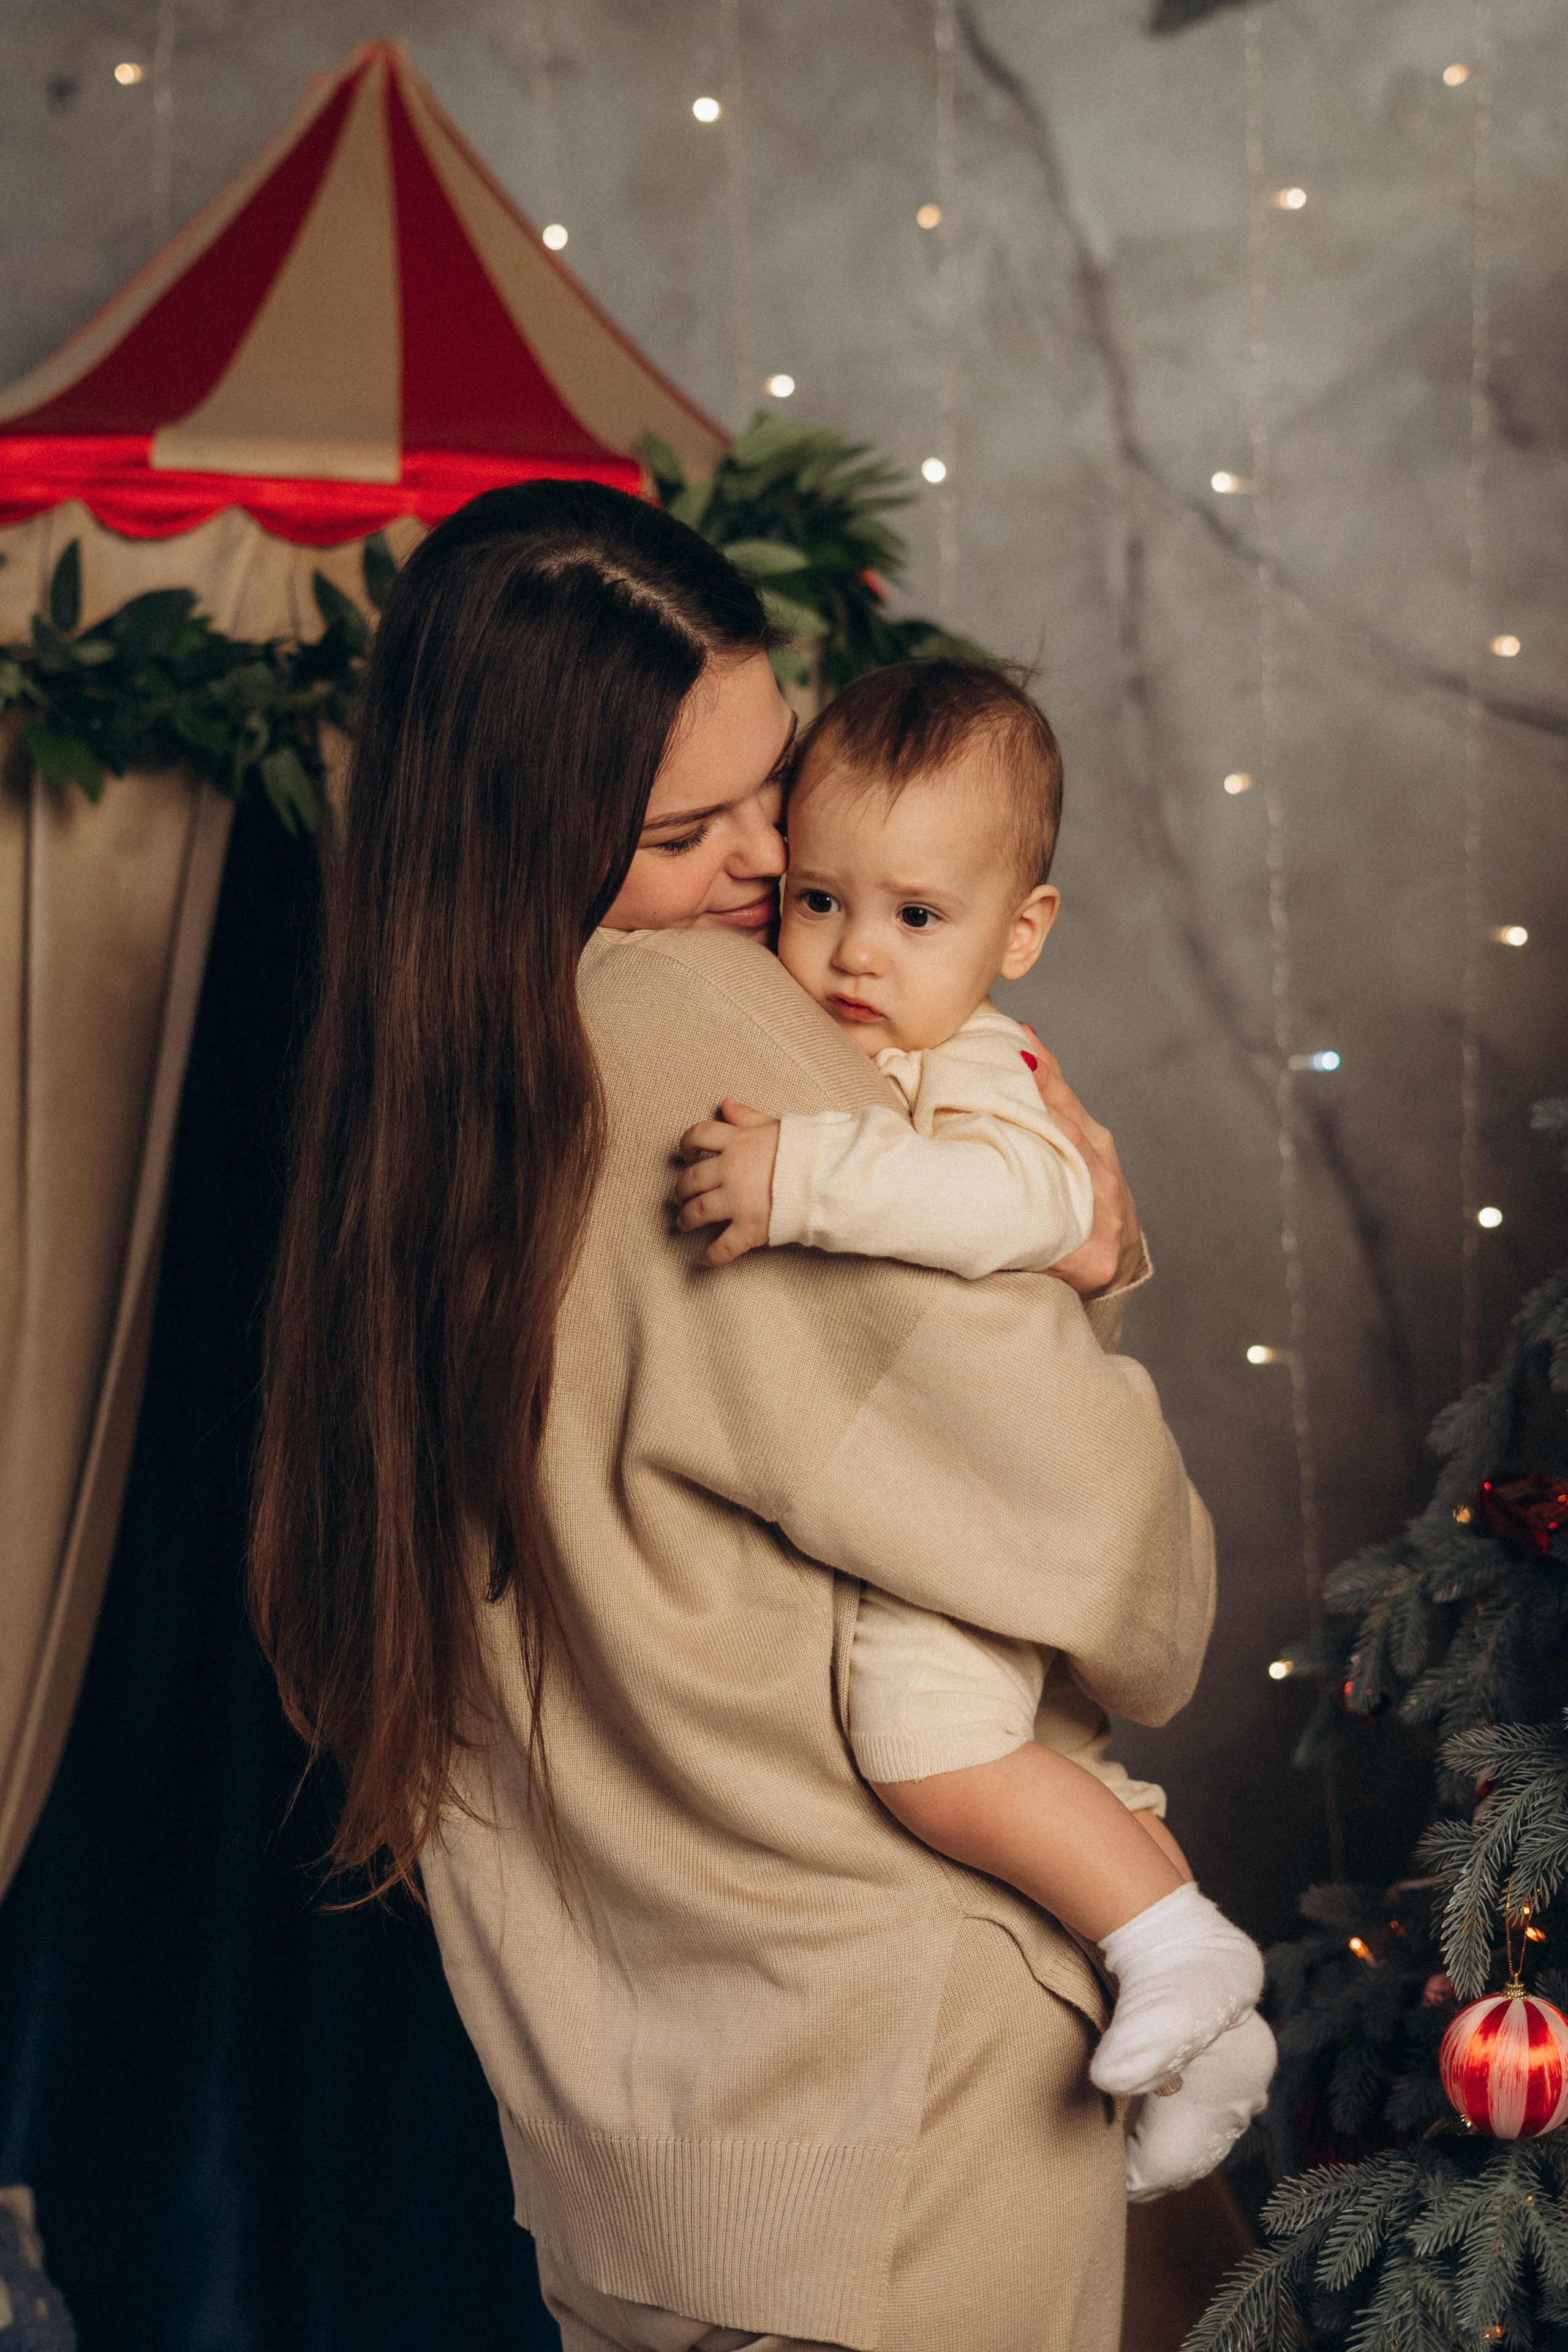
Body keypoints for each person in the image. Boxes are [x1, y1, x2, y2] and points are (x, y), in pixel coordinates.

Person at [251, 480, 1219, 2352]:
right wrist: (1081, 1278)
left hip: (626, 2158)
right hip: (894, 2116)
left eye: (780, 780)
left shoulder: (412, 1130)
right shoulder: (690, 1029)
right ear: (529, 838)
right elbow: (1119, 1555)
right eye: (693, 828)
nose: (781, 866)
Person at [671, 658, 1268, 2105]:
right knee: (1041, 1766)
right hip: (942, 1506)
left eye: (916, 917)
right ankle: (1209, 2030)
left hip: (981, 1512)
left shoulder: (987, 1067)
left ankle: (1175, 1943)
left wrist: (803, 1172)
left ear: (1020, 933)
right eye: (818, 900)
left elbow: (1026, 1211)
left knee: (923, 1751)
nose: (853, 955)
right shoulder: (823, 1027)